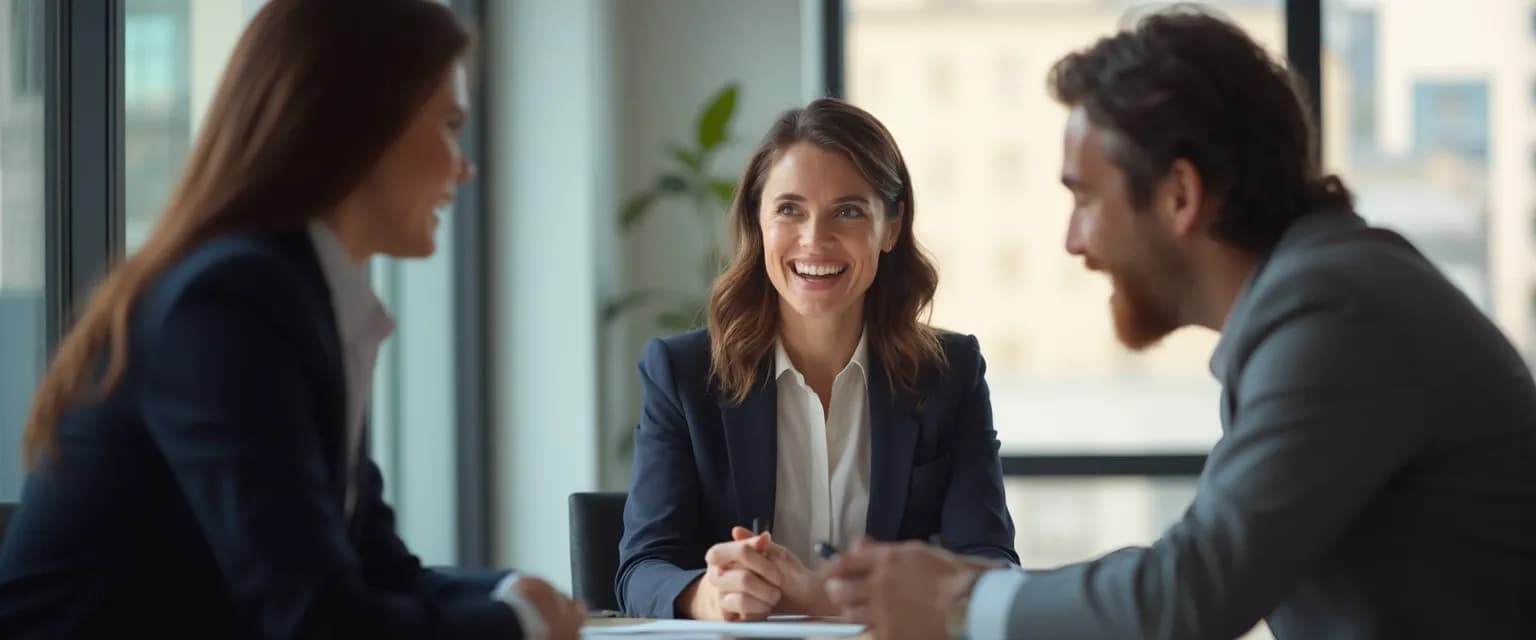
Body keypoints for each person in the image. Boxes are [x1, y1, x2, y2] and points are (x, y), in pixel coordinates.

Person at [823, 8, 1536, 640]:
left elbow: (1188, 596)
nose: (1074, 241)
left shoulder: (1335, 314)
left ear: (1179, 196)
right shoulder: (1322, 292)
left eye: (1085, 200)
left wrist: (959, 603)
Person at [0, 1, 586, 637]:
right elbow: (314, 621)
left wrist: (517, 594)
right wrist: (516, 623)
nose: (463, 166)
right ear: (358, 121)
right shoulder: (229, 302)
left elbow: (374, 567)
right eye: (449, 126)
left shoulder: (295, 299)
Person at [616, 98, 1018, 621]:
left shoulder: (951, 372)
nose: (815, 239)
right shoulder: (683, 373)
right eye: (789, 210)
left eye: (848, 211)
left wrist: (824, 598)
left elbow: (990, 564)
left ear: (891, 227)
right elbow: (643, 568)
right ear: (757, 223)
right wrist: (709, 595)